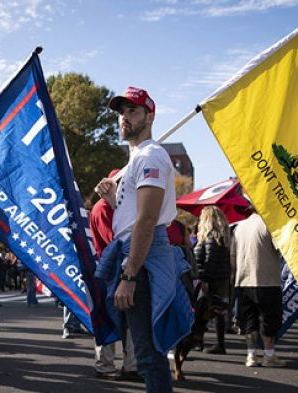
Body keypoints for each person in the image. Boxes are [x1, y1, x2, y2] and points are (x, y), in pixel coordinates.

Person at [94, 87, 192, 392]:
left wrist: (129, 274)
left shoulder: (150, 155)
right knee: (146, 351)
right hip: (136, 252)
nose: (125, 117)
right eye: (122, 112)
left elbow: (148, 220)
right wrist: (113, 201)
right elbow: (133, 217)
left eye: (133, 111)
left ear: (150, 116)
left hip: (144, 258)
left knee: (148, 355)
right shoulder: (135, 160)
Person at [89, 169, 138, 381]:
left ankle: (131, 365)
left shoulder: (117, 206)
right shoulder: (102, 208)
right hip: (109, 271)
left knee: (130, 319)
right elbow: (117, 241)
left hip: (121, 268)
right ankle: (105, 364)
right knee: (108, 317)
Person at [232, 210, 285, 368]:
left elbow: (232, 257)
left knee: (249, 321)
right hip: (267, 280)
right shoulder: (270, 225)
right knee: (269, 320)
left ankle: (251, 356)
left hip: (243, 280)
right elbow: (281, 250)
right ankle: (269, 355)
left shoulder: (238, 227)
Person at [193, 206, 231, 354]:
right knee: (217, 311)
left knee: (203, 310)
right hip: (220, 278)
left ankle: (199, 342)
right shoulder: (221, 237)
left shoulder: (210, 238)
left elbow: (209, 260)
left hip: (210, 279)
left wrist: (205, 279)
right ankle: (219, 344)